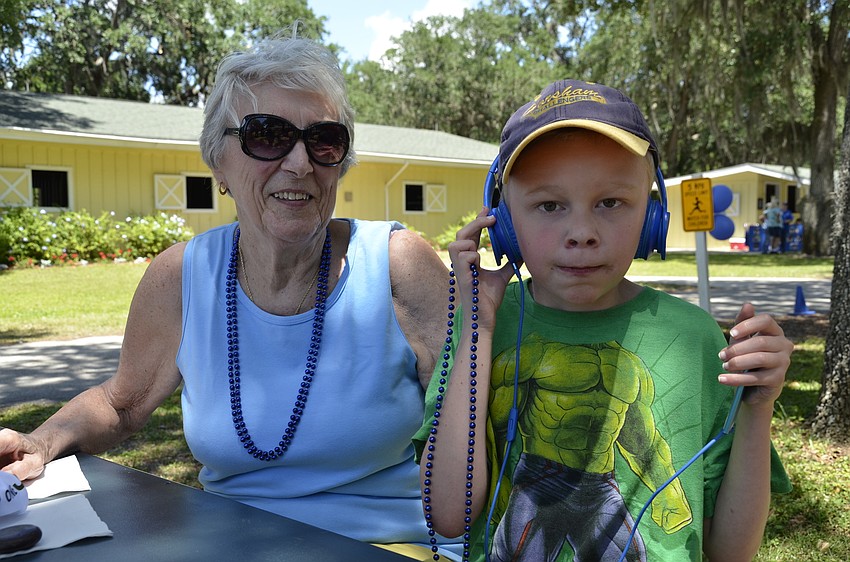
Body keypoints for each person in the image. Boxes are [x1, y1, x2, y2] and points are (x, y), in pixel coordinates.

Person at [0, 32, 462, 560]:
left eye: (324, 140)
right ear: (218, 165)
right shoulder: (181, 275)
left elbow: (481, 422)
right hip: (230, 543)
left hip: (387, 543)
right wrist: (41, 442)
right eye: (268, 135)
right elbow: (120, 403)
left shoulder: (397, 265)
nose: (299, 163)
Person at [415, 79, 793, 562]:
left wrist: (758, 409)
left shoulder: (694, 336)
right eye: (549, 205)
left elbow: (731, 552)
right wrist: (480, 332)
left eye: (610, 203)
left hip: (601, 491)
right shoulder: (481, 330)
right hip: (536, 484)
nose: (582, 233)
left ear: (651, 217)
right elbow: (448, 514)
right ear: (504, 223)